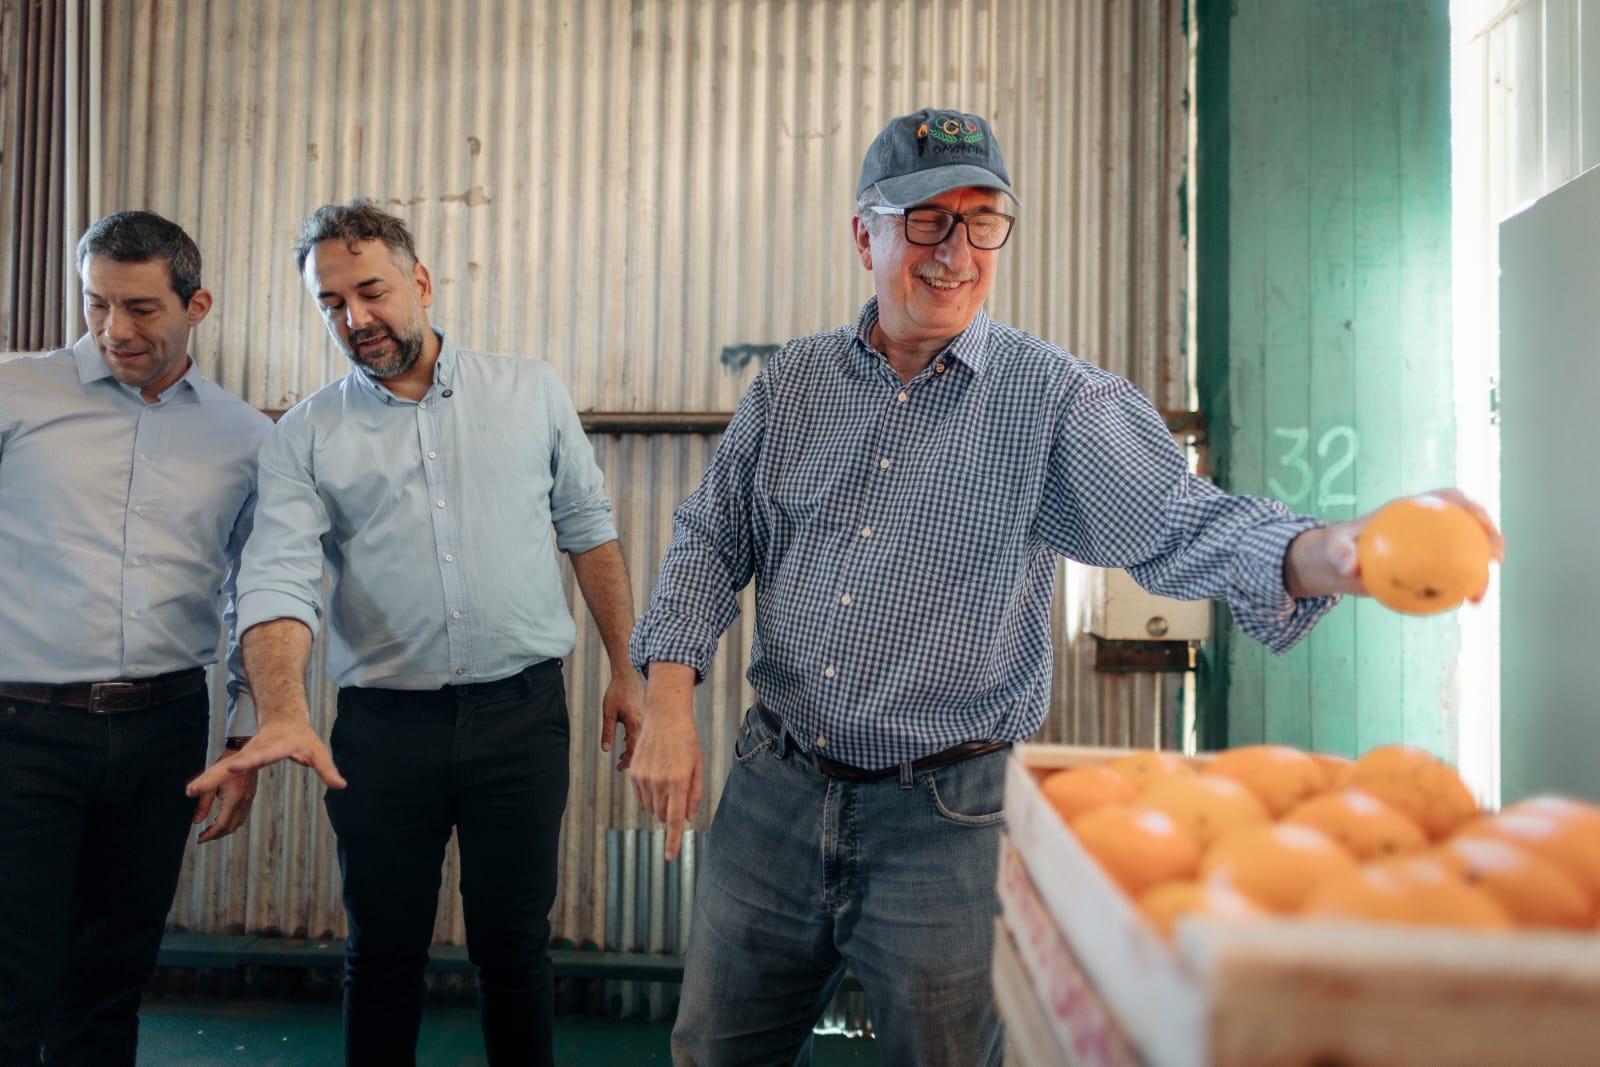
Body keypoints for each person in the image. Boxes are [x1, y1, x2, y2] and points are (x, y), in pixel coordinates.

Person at [626, 108, 1505, 1066]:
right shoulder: (790, 386)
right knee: (713, 1050)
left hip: (947, 821)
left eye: (982, 219)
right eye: (926, 219)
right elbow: (713, 537)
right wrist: (668, 696)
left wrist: (1341, 550)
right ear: (865, 233)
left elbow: (1180, 521)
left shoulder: (1052, 401)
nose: (955, 252)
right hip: (774, 795)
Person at [186, 199, 645, 1067]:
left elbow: (588, 527)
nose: (355, 319)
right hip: (383, 730)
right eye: (330, 303)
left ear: (421, 282)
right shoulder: (305, 435)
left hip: (522, 717)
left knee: (515, 949)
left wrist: (628, 667)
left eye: (371, 290)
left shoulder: (529, 390)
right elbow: (278, 576)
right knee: (382, 953)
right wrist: (281, 707)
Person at [0, 211, 272, 1066]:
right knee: (12, 980)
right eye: (96, 303)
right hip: (21, 728)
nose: (115, 329)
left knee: (112, 982)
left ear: (199, 304)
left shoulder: (247, 438)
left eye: (143, 309)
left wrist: (244, 730)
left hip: (163, 732)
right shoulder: (14, 393)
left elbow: (258, 591)